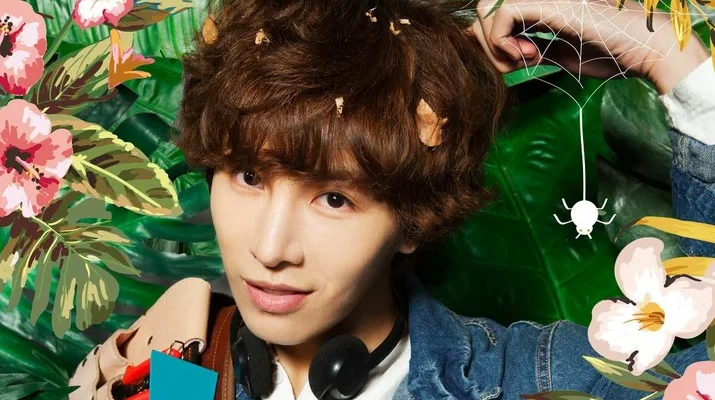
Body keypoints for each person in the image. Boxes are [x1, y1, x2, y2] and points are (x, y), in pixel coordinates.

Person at [75, 0, 715, 399]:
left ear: (412, 219)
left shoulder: (534, 380)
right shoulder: (162, 367)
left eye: (333, 198)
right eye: (247, 176)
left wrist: (674, 60)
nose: (269, 249)